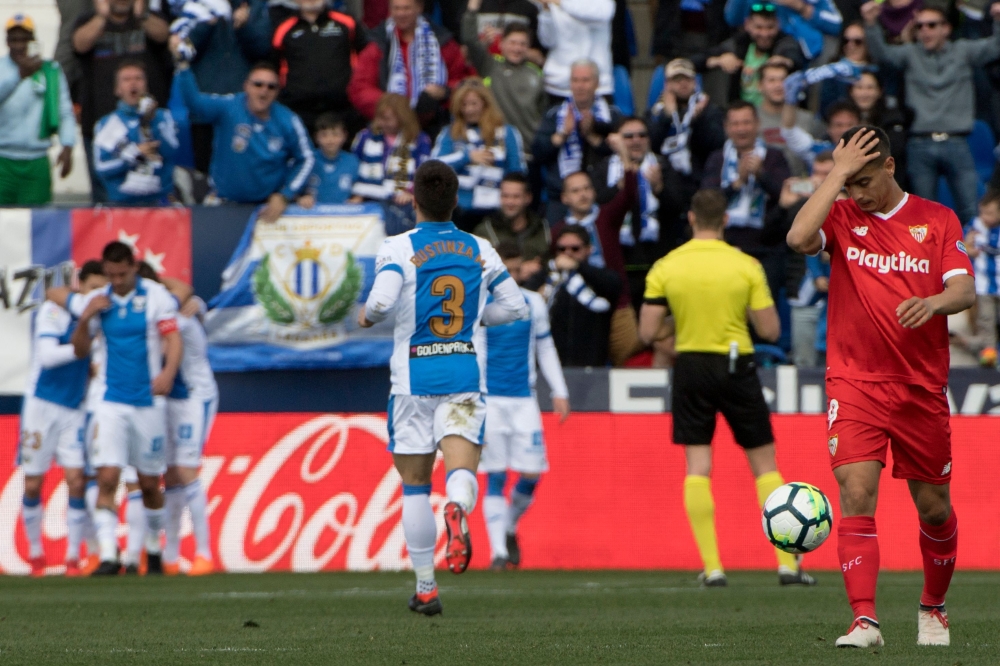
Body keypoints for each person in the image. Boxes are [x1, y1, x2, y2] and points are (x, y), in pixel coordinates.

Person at [787, 126, 976, 647]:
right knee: (855, 491)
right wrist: (836, 175)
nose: (858, 195)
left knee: (934, 506)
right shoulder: (843, 215)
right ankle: (864, 619)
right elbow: (799, 239)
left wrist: (933, 303)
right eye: (851, 185)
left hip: (919, 385)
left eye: (864, 182)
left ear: (890, 168)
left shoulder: (937, 219)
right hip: (854, 381)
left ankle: (933, 608)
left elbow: (963, 288)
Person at [356, 160, 529, 615]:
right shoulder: (480, 248)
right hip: (463, 376)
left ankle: (427, 587)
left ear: (414, 201)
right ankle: (456, 508)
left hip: (412, 381)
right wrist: (478, 319)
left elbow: (381, 300)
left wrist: (368, 316)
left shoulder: (397, 247)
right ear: (455, 201)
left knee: (414, 484)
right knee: (462, 470)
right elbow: (514, 307)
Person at [639, 188, 815, 587]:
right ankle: (788, 565)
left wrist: (677, 325)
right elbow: (770, 329)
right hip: (737, 364)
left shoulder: (667, 265)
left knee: (698, 467)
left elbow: (647, 331)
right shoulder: (745, 265)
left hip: (691, 364)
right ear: (725, 221)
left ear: (690, 219)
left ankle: (713, 567)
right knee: (764, 466)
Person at [50, 241, 185, 577]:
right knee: (107, 475)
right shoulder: (99, 301)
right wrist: (85, 318)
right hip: (111, 401)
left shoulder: (154, 296)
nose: (117, 280)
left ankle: (153, 549)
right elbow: (81, 351)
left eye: (122, 274)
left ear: (134, 267)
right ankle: (109, 555)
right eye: (111, 275)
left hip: (148, 400)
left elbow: (172, 337)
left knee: (149, 482)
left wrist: (168, 372)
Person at [862, 1, 1000, 225]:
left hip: (957, 141)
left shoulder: (963, 50)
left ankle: (974, 259)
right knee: (923, 217)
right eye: (920, 26)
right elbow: (882, 54)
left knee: (971, 212)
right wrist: (870, 24)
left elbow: (995, 47)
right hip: (920, 143)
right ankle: (930, 260)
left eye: (932, 25)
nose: (925, 31)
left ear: (946, 28)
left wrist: (998, 20)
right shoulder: (910, 53)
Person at [479, 242, 570, 569]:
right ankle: (498, 553)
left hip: (524, 400)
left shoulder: (533, 303)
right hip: (489, 401)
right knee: (495, 474)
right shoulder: (480, 305)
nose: (513, 278)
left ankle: (508, 527)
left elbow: (545, 348)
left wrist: (559, 390)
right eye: (508, 272)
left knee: (531, 474)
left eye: (518, 272)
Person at [19, 263, 107, 578]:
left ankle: (73, 557)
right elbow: (47, 357)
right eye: (93, 286)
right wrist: (83, 350)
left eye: (102, 287)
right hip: (41, 405)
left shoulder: (99, 317)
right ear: (79, 284)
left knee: (77, 480)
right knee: (33, 481)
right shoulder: (53, 311)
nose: (98, 293)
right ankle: (35, 553)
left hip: (74, 407)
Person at [172, 54, 315, 223]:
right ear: (246, 86)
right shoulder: (229, 106)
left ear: (277, 92)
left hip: (266, 210)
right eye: (258, 84)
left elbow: (307, 158)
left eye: (271, 87)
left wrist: (285, 195)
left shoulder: (288, 120)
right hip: (223, 203)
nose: (264, 91)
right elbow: (194, 103)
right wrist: (183, 66)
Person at [72, 0, 171, 204]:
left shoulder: (148, 17)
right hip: (102, 128)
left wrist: (141, 15)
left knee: (150, 197)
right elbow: (79, 44)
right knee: (104, 197)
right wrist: (102, 17)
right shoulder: (88, 20)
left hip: (146, 126)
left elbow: (163, 35)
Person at [552, 167, 642, 365]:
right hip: (578, 306)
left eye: (586, 188)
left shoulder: (607, 216)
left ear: (594, 192)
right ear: (565, 197)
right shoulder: (557, 230)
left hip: (617, 304)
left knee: (629, 360)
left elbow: (629, 194)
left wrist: (625, 158)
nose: (582, 194)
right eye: (575, 191)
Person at [159, 280, 219, 577]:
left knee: (186, 469)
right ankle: (170, 556)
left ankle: (203, 554)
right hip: (170, 398)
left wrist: (196, 299)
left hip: (196, 397)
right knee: (169, 473)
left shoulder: (176, 321)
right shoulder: (175, 314)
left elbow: (183, 291)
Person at [702, 100, 791, 298]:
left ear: (757, 124)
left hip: (765, 249)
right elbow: (707, 203)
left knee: (764, 313)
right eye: (735, 124)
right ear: (726, 127)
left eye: (746, 123)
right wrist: (738, 183)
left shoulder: (774, 157)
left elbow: (785, 198)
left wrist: (761, 175)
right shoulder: (717, 159)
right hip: (725, 247)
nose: (741, 129)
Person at [347, 0, 472, 132]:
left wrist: (444, 91)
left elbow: (463, 81)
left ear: (419, 8)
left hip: (436, 125)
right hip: (388, 128)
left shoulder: (443, 41)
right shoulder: (377, 44)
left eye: (406, 8)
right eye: (396, 9)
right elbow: (360, 88)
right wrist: (392, 106)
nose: (401, 13)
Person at [179, 0, 273, 173]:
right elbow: (183, 49)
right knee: (205, 173)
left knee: (243, 170)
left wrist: (244, 27)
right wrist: (206, 23)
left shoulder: (255, 5)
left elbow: (263, 49)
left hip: (244, 110)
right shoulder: (198, 4)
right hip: (205, 106)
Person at [590, 117, 668, 313]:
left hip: (655, 258)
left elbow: (677, 207)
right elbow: (597, 205)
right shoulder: (603, 168)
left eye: (642, 135)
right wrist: (620, 186)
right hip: (619, 260)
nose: (636, 140)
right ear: (617, 140)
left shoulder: (662, 165)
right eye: (629, 136)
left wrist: (659, 187)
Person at [533, 60, 624, 223]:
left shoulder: (612, 115)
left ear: (596, 83)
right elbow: (538, 153)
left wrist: (592, 136)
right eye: (575, 80)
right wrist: (562, 135)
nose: (580, 86)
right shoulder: (554, 114)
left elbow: (620, 153)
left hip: (602, 196)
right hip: (561, 198)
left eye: (585, 80)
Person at [0, 14, 76, 205]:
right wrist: (19, 76)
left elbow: (65, 111)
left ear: (32, 40)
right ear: (6, 41)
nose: (18, 45)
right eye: (14, 39)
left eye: (23, 39)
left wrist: (67, 144)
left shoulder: (50, 70)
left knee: (38, 223)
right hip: (3, 160)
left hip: (37, 160)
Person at [431, 79, 527, 230]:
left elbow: (517, 171)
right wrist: (467, 157)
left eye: (474, 104)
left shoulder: (507, 133)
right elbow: (433, 168)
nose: (469, 109)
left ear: (485, 103)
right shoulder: (449, 133)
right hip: (458, 211)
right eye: (464, 104)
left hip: (496, 212)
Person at [460, 3, 548, 157]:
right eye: (512, 43)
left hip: (527, 150)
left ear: (528, 48)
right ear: (501, 44)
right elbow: (469, 39)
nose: (517, 48)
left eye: (522, 44)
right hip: (494, 147)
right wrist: (472, 10)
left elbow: (542, 111)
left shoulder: (535, 73)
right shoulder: (490, 65)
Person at [271, 0, 367, 133]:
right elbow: (273, 67)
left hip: (344, 111)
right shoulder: (283, 28)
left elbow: (368, 59)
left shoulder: (347, 22)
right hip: (299, 113)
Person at [93, 61, 180, 205]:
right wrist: (135, 155)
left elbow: (172, 152)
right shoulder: (106, 124)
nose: (133, 83)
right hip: (122, 204)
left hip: (159, 202)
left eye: (138, 78)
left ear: (146, 85)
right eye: (126, 79)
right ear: (117, 89)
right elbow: (101, 168)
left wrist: (153, 121)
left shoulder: (163, 117)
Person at [350, 93, 432, 234]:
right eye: (380, 118)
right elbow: (354, 164)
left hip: (401, 202)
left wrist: (411, 192)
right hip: (370, 198)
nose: (383, 123)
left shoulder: (419, 140)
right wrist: (358, 193)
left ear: (402, 117)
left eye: (388, 119)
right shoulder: (365, 136)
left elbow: (424, 170)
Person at [693, 3, 805, 105]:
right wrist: (718, 60)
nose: (764, 34)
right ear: (747, 25)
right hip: (740, 113)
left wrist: (785, 61)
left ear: (778, 25)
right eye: (759, 27)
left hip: (775, 113)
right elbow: (695, 62)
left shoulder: (784, 42)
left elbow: (795, 57)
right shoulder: (738, 44)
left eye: (770, 27)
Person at [546, 225, 622, 366]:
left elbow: (615, 285)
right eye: (562, 249)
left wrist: (578, 267)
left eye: (575, 249)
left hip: (592, 364)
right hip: (553, 363)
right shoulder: (547, 276)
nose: (567, 253)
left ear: (588, 250)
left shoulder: (599, 277)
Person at [472, 173, 553, 278]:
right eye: (505, 196)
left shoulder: (543, 227)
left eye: (516, 197)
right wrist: (518, 270)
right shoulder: (484, 230)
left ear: (528, 198)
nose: (510, 202)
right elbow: (477, 267)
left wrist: (541, 266)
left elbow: (553, 259)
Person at [535, 0, 615, 101]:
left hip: (597, 87)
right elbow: (548, 41)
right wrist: (546, 11)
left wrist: (559, 2)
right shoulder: (554, 3)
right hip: (558, 85)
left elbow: (603, 14)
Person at [725, 0, 843, 62]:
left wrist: (800, 6)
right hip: (759, 51)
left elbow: (836, 25)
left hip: (806, 55)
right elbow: (732, 19)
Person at [960, 189, 1000, 366]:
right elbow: (961, 247)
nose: (985, 217)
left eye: (990, 213)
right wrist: (969, 247)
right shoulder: (975, 226)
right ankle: (990, 357)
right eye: (982, 212)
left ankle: (967, 342)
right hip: (984, 287)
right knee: (986, 321)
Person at [298, 112, 360, 207]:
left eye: (335, 135)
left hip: (343, 216)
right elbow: (293, 188)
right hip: (313, 215)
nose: (330, 140)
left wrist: (357, 199)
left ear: (344, 136)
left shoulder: (353, 161)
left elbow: (361, 187)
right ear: (316, 137)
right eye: (324, 135)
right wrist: (301, 199)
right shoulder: (308, 160)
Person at [756, 61, 824, 146]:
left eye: (783, 80)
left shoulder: (808, 119)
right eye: (771, 80)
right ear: (760, 85)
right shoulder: (749, 119)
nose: (778, 85)